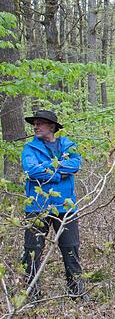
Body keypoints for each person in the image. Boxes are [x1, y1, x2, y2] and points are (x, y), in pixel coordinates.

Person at [21, 110, 84, 301]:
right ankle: (33, 296)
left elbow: (75, 164)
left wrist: (49, 169)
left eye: (40, 123)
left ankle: (77, 294)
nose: (36, 126)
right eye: (35, 123)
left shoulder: (68, 145)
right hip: (37, 207)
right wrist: (58, 174)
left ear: (52, 126)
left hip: (65, 207)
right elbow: (32, 171)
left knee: (71, 249)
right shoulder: (29, 149)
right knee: (32, 250)